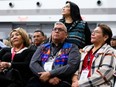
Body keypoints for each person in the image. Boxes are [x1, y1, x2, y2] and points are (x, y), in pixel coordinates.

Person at [28, 22, 80, 87]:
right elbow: (33, 63)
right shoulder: (42, 47)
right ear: (51, 33)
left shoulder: (72, 47)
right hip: (42, 78)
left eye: (60, 30)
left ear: (66, 35)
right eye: (55, 29)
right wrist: (47, 77)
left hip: (61, 79)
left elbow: (72, 65)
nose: (57, 31)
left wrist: (50, 73)